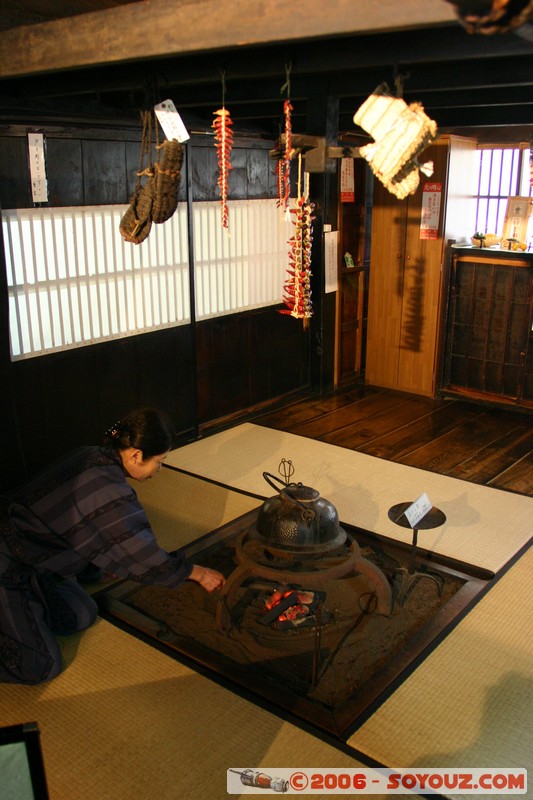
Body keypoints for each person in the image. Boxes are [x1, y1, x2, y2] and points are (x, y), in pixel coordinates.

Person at [0, 407, 225, 685]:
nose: (160, 469)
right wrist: (196, 572)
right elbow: (141, 555)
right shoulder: (108, 491)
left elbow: (81, 530)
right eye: (159, 461)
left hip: (37, 562)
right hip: (9, 563)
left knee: (81, 614)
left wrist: (95, 570)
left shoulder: (93, 454)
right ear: (135, 455)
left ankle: (19, 619)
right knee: (39, 667)